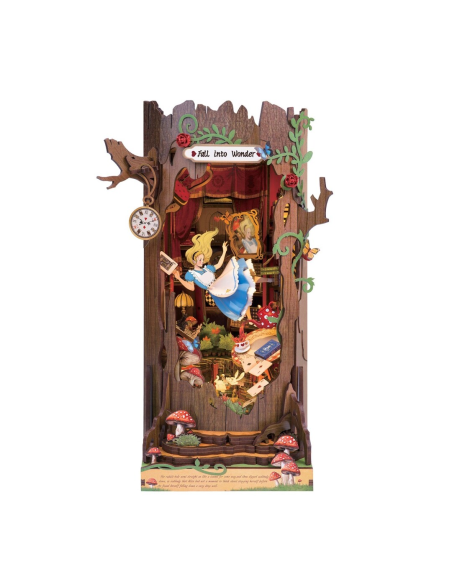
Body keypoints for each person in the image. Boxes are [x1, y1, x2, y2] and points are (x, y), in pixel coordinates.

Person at [174, 228, 255, 321]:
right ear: (193, 261)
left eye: (202, 259)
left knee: (236, 287)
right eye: (199, 260)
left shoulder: (207, 268)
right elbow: (191, 288)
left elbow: (219, 265)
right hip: (214, 290)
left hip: (220, 283)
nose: (201, 261)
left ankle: (248, 312)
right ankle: (247, 315)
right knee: (232, 302)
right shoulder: (191, 274)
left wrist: (224, 251)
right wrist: (179, 278)